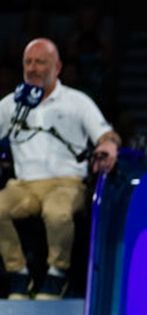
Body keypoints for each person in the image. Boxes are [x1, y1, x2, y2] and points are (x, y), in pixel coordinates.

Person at [1, 38, 120, 299]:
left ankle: (57, 275)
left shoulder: (77, 101)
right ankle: (18, 272)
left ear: (57, 67)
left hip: (66, 182)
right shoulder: (11, 104)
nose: (32, 68)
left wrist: (108, 147)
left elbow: (106, 135)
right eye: (28, 62)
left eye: (40, 62)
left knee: (57, 213)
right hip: (24, 186)